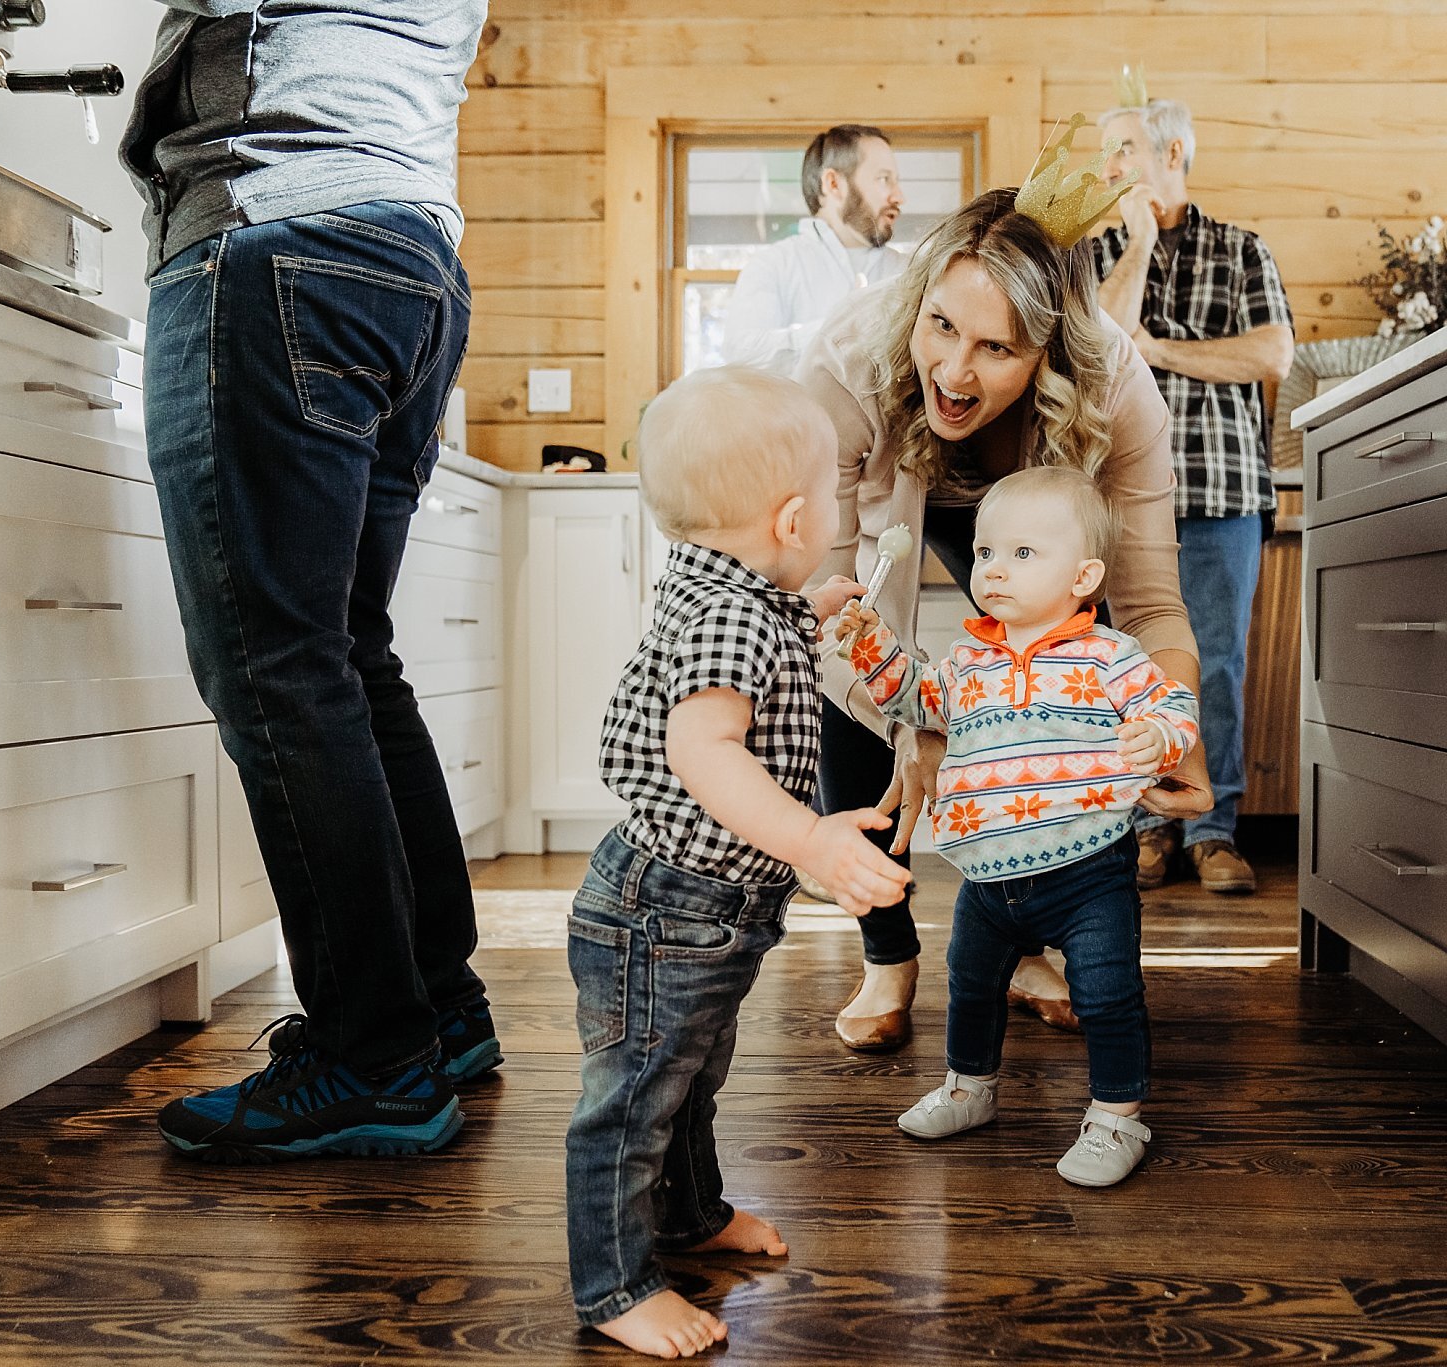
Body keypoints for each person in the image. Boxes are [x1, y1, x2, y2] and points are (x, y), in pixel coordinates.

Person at [121, 0, 497, 1160]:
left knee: (281, 668)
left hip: (277, 232)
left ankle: (373, 1054)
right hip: (411, 256)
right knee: (343, 656)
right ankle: (433, 1007)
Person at [797, 182, 1215, 1054]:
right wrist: (917, 723)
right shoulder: (844, 366)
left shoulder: (1117, 392)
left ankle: (1022, 940)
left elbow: (1151, 606)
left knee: (1055, 669)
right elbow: (830, 607)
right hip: (902, 502)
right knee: (866, 666)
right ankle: (888, 952)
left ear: (1049, 352)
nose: (953, 373)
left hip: (1038, 500)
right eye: (941, 326)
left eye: (996, 348)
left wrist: (1171, 724)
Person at [567, 366, 911, 1357]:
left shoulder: (732, 586)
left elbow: (752, 633)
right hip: (666, 906)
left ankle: (686, 1218)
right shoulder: (730, 616)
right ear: (794, 514)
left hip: (696, 904)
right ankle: (614, 1283)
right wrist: (809, 839)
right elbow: (702, 747)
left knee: (684, 1079)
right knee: (633, 1100)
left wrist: (814, 606)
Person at [837, 467, 1199, 1186]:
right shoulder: (967, 661)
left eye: (1023, 555)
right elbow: (915, 700)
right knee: (970, 982)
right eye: (984, 553)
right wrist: (871, 642)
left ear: (1085, 575)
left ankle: (1118, 1115)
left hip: (1088, 865)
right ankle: (970, 1087)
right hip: (986, 874)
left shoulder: (1109, 656)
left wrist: (1159, 737)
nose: (995, 569)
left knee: (1106, 989)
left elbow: (1173, 704)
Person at [1094, 97, 1295, 896]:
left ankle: (1214, 832)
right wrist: (1138, 243)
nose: (1111, 167)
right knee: (1130, 666)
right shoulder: (1102, 254)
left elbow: (1272, 351)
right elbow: (1105, 351)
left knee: (1215, 664)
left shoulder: (1242, 249)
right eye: (1106, 153)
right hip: (1125, 495)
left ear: (1174, 150)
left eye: (1125, 149)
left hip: (1222, 487)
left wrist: (1161, 351)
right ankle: (1148, 828)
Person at [722, 124, 906, 376]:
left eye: (896, 182)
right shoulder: (773, 265)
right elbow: (740, 357)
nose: (899, 196)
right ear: (833, 184)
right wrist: (838, 332)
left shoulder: (909, 273)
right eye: (884, 179)